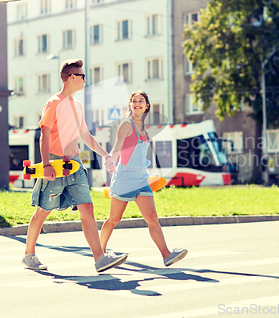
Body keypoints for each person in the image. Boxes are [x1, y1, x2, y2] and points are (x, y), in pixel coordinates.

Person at [22, 58, 128, 273]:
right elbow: (44, 135)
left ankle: (100, 258)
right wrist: (46, 164)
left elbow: (85, 135)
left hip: (75, 164)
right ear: (72, 77)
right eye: (82, 76)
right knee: (44, 210)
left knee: (87, 207)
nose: (85, 80)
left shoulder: (77, 104)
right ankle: (28, 254)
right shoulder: (54, 103)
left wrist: (105, 154)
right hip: (55, 163)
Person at [100, 91, 187, 267]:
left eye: (141, 101)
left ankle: (166, 255)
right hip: (125, 176)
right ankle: (99, 254)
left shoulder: (143, 129)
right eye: (134, 101)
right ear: (130, 105)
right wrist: (111, 160)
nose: (137, 103)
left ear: (147, 106)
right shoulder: (126, 124)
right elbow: (116, 147)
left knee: (152, 217)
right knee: (114, 219)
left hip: (141, 178)